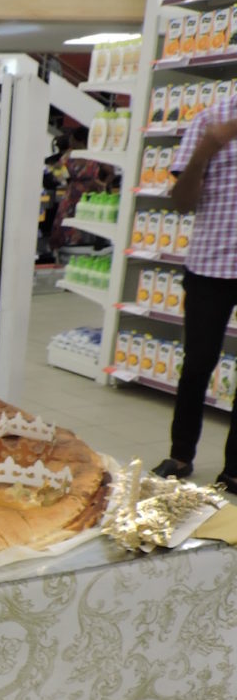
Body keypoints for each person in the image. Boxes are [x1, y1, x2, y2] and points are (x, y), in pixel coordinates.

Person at [149, 96, 237, 492]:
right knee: (198, 362)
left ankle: (233, 470)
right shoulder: (211, 119)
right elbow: (182, 203)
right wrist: (206, 150)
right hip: (210, 267)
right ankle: (181, 454)